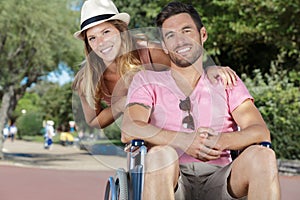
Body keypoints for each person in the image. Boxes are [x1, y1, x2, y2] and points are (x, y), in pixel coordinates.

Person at [122, 2, 280, 200]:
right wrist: (183, 140)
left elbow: (260, 131)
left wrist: (221, 141)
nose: (180, 41)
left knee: (263, 156)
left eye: (186, 30)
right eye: (170, 35)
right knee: (161, 155)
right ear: (164, 45)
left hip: (221, 179)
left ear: (202, 35)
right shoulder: (147, 80)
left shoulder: (226, 81)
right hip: (172, 178)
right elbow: (129, 128)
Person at [72, 0, 238, 130]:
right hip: (142, 132)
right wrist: (122, 103)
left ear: (121, 31)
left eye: (106, 32)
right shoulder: (86, 79)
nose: (101, 42)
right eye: (92, 38)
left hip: (176, 118)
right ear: (88, 45)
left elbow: (186, 64)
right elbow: (94, 120)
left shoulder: (148, 53)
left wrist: (210, 69)